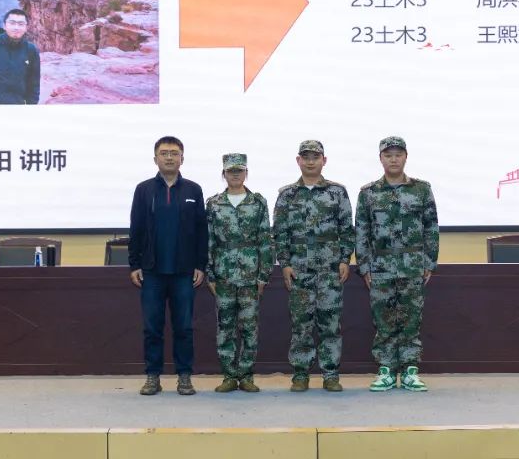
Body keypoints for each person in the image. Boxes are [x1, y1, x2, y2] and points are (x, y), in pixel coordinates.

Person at [354, 136, 439, 392]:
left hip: (412, 264)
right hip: (380, 266)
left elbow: (431, 227)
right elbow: (362, 232)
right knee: (384, 320)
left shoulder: (421, 189)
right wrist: (364, 266)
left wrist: (429, 262)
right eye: (388, 155)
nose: (393, 159)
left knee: (411, 320)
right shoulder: (368, 193)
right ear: (381, 158)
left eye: (398, 155)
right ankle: (386, 370)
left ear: (405, 157)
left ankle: (410, 370)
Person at [127, 136, 207, 396]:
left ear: (182, 158)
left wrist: (200, 264)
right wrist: (134, 264)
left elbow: (201, 231)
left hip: (184, 272)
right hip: (152, 272)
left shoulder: (193, 190)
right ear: (155, 159)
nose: (169, 157)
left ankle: (184, 377)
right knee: (152, 328)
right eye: (164, 153)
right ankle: (153, 376)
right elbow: (136, 228)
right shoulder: (144, 189)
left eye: (174, 153)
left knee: (184, 327)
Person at [271, 140, 354, 392]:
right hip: (299, 269)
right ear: (298, 161)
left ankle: (331, 374)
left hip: (330, 268)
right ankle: (300, 373)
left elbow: (346, 229)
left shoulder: (337, 192)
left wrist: (344, 259)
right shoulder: (287, 195)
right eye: (305, 157)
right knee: (301, 324)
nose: (310, 161)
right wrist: (284, 263)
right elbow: (280, 233)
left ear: (323, 161)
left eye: (315, 157)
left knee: (330, 323)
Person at [205, 153, 273, 393]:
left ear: (246, 173)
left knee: (249, 328)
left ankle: (246, 376)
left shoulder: (258, 202)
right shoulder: (214, 203)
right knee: (225, 327)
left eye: (239, 170)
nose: (235, 174)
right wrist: (209, 273)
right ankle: (228, 376)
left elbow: (265, 240)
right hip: (223, 274)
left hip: (250, 275)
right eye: (230, 171)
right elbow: (209, 240)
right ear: (223, 174)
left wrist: (264, 275)